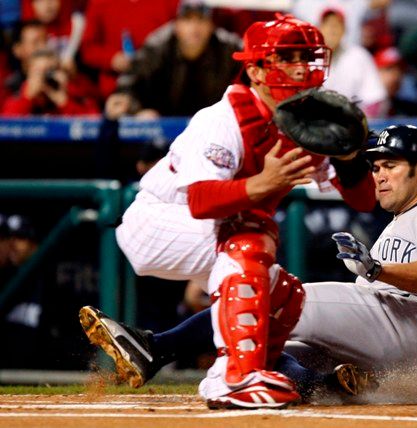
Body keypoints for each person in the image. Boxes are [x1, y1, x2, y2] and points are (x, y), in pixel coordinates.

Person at [79, 14, 376, 409]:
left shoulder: (306, 122)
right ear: (254, 68)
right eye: (287, 57)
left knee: (284, 294)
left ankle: (262, 369)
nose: (301, 66)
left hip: (214, 228)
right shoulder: (223, 118)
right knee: (252, 235)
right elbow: (202, 201)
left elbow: (364, 201)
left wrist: (351, 158)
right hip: (157, 221)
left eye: (307, 56)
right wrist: (263, 184)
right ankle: (233, 377)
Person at [80, 124, 417, 403]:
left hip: (407, 322)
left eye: (390, 165)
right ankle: (327, 386)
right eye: (375, 167)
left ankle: (155, 348)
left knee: (267, 289)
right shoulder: (396, 225)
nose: (379, 176)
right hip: (387, 339)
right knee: (261, 351)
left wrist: (376, 270)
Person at [113, 0, 242, 118]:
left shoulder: (228, 48)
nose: (194, 28)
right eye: (188, 20)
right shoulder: (157, 47)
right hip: (162, 125)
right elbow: (128, 86)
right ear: (176, 25)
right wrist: (137, 111)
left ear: (211, 26)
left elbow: (251, 75)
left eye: (201, 20)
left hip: (214, 125)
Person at [317, 7, 387, 117]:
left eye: (336, 26)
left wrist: (361, 125)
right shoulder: (308, 57)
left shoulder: (359, 56)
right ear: (319, 29)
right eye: (327, 25)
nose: (331, 30)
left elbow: (374, 99)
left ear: (344, 30)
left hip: (352, 123)